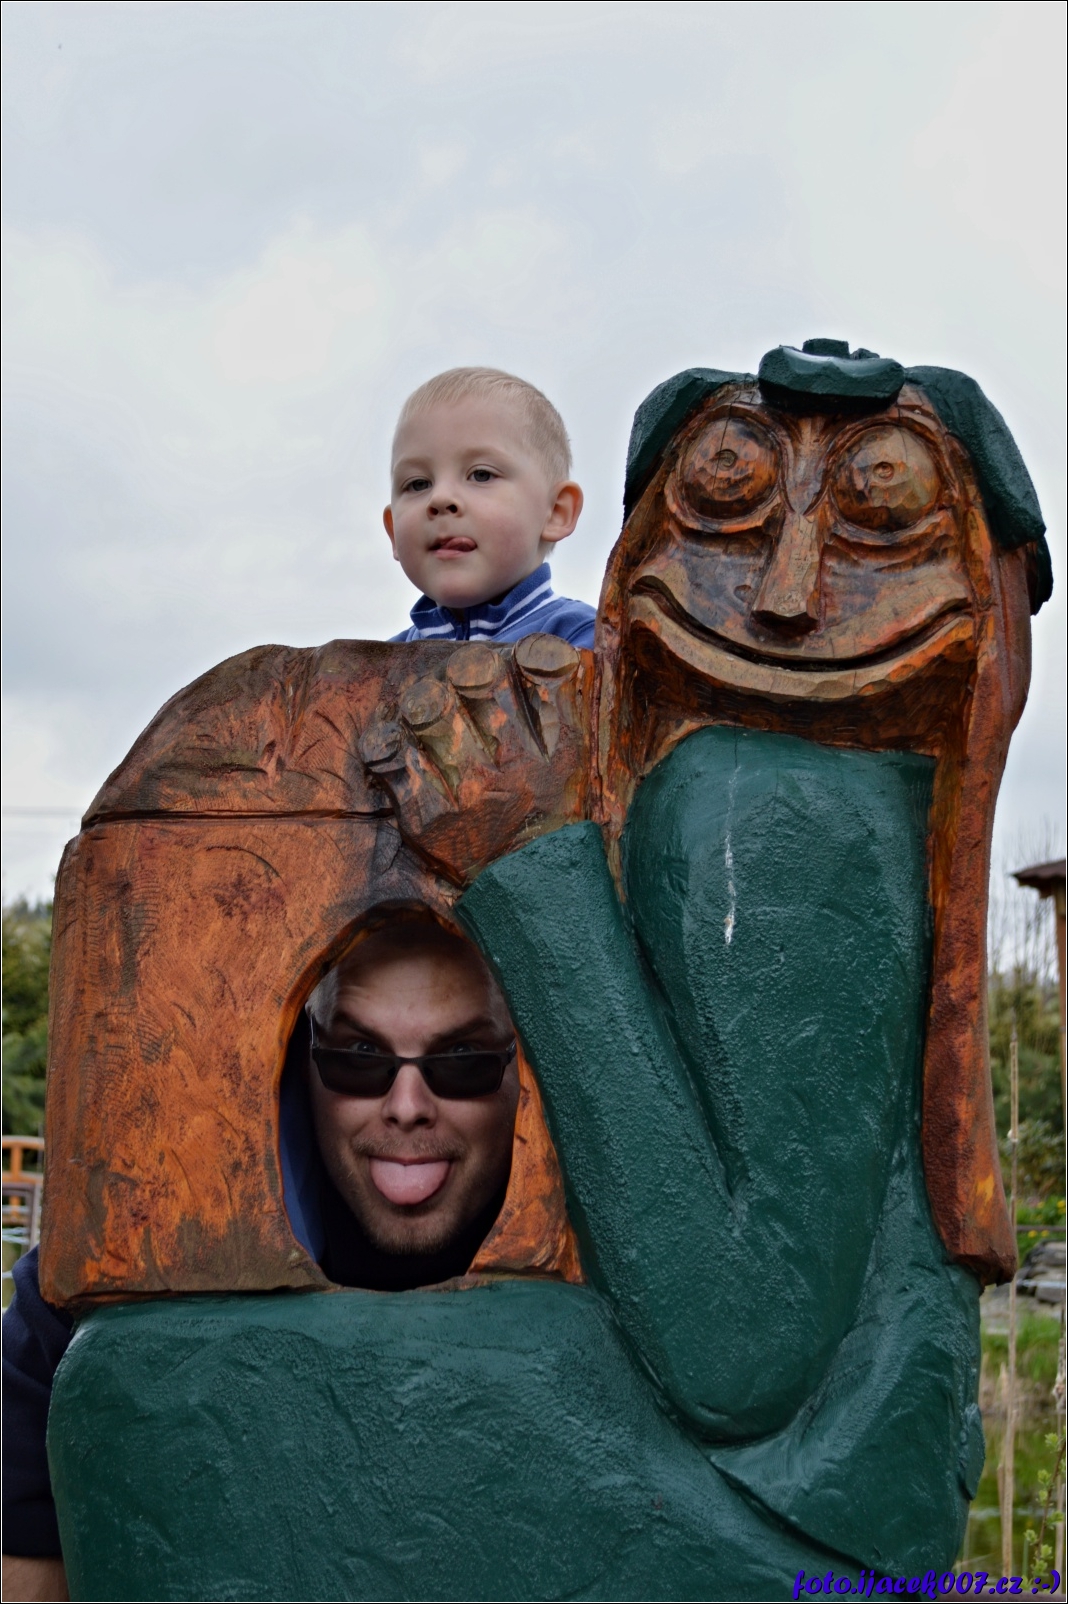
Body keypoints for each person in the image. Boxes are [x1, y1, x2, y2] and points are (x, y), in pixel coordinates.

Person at [2, 914, 521, 1601]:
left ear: (522, 1071)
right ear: (302, 1056)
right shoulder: (96, 1293)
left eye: (461, 1060)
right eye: (358, 1054)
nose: (406, 1106)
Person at [386, 367, 597, 648]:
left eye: (481, 475)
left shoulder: (589, 643)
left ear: (556, 512)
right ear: (392, 531)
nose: (440, 498)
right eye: (418, 484)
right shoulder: (374, 666)